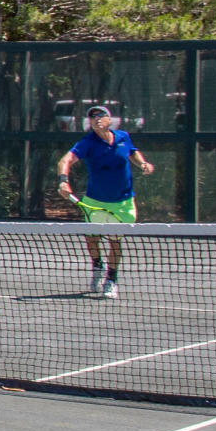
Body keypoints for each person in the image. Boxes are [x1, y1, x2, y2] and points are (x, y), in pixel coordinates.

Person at [60, 103, 155, 299]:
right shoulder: (88, 142)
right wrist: (63, 181)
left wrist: (143, 163)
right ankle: (97, 265)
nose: (97, 119)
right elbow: (65, 160)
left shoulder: (123, 137)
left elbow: (133, 153)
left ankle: (111, 280)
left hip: (123, 202)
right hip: (95, 202)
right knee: (92, 238)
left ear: (110, 120)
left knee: (115, 240)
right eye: (93, 117)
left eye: (101, 115)